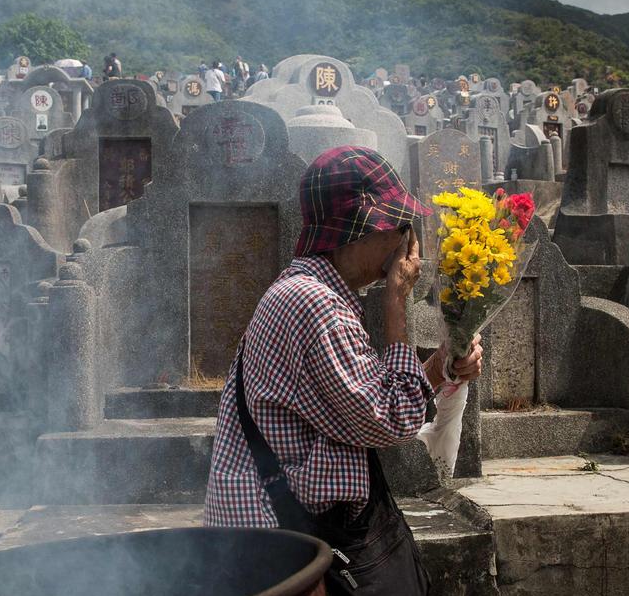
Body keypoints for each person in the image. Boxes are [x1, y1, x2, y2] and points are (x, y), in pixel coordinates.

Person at [204, 146, 484, 529]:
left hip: (282, 526)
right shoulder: (317, 305)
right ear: (357, 229)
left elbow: (364, 398)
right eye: (399, 227)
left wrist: (440, 366)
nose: (407, 243)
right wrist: (396, 301)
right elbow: (391, 419)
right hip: (280, 540)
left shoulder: (312, 290)